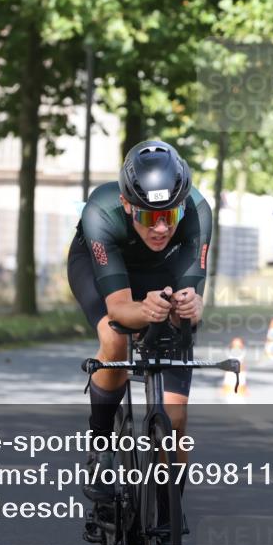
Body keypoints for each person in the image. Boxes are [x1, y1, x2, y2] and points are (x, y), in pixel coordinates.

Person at [67, 140, 212, 509]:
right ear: (128, 204)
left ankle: (166, 517)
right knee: (114, 339)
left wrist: (191, 305)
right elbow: (118, 309)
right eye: (149, 217)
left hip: (164, 268)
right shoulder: (102, 211)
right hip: (104, 265)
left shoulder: (197, 211)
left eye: (170, 215)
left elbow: (189, 306)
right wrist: (143, 311)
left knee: (175, 420)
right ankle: (101, 446)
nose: (161, 227)